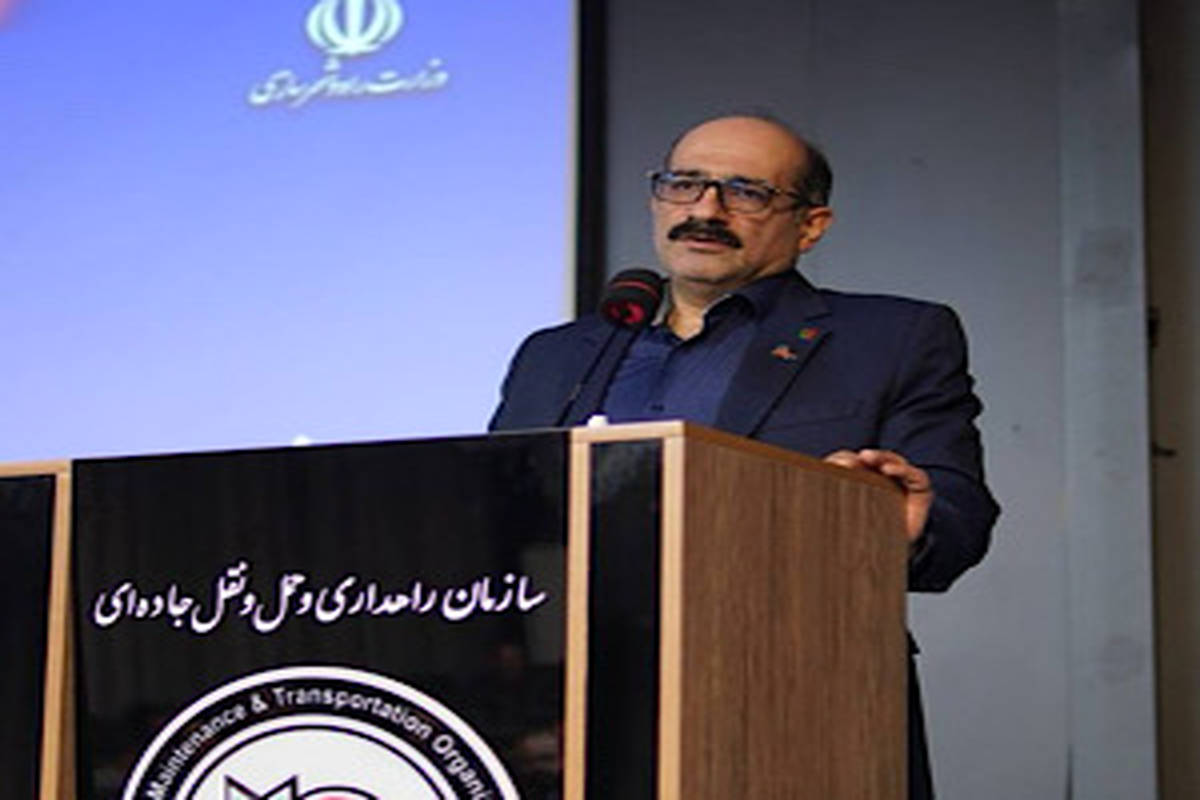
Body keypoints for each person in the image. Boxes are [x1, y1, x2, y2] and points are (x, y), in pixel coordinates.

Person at [489, 114, 1000, 799]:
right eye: (685, 184)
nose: (706, 210)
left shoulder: (891, 337)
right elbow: (496, 516)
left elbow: (956, 511)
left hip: (795, 702)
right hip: (578, 710)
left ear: (810, 225)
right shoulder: (554, 356)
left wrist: (901, 527)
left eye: (745, 191)